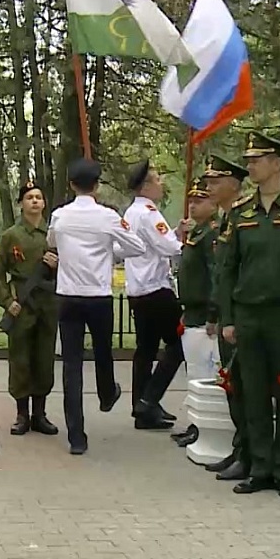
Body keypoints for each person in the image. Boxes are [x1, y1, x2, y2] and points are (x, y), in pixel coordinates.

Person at [48, 158, 145, 455]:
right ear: (97, 185)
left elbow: (52, 241)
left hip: (68, 295)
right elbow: (137, 247)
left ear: (71, 185)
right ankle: (106, 392)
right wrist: (110, 252)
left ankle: (76, 436)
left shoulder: (60, 216)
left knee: (72, 366)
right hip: (98, 295)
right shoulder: (108, 217)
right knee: (104, 350)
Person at [215, 132, 280, 496]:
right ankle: (260, 468)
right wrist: (227, 318)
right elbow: (228, 270)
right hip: (248, 315)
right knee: (254, 394)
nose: (250, 165)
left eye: (258, 159)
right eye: (249, 160)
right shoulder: (242, 212)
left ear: (277, 163)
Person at [0, 181, 59, 436]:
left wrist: (57, 264)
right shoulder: (11, 236)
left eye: (38, 197)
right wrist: (8, 302)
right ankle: (22, 415)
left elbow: (71, 271)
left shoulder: (53, 234)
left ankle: (40, 414)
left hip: (47, 303)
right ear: (21, 203)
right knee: (20, 359)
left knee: (44, 357)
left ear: (44, 203)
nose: (34, 201)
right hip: (22, 303)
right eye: (29, 197)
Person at [122, 160, 185, 430]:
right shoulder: (149, 213)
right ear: (146, 186)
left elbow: (153, 245)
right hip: (156, 288)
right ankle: (149, 399)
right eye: (157, 180)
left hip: (138, 289)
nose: (161, 185)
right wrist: (184, 237)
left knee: (145, 349)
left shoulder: (132, 213)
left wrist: (174, 234)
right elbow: (171, 248)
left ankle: (142, 408)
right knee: (179, 345)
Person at [203, 154, 250, 482]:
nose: (209, 187)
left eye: (215, 182)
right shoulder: (225, 218)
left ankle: (248, 453)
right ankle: (239, 448)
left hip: (241, 314)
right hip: (227, 313)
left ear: (233, 184)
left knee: (245, 388)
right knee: (232, 386)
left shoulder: (241, 216)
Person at [171, 176, 220, 449]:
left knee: (204, 372)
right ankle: (195, 423)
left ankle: (202, 425)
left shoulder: (211, 234)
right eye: (191, 200)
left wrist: (214, 312)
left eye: (200, 200)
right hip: (191, 311)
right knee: (194, 373)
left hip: (203, 315)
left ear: (213, 204)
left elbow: (215, 276)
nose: (193, 205)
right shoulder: (198, 233)